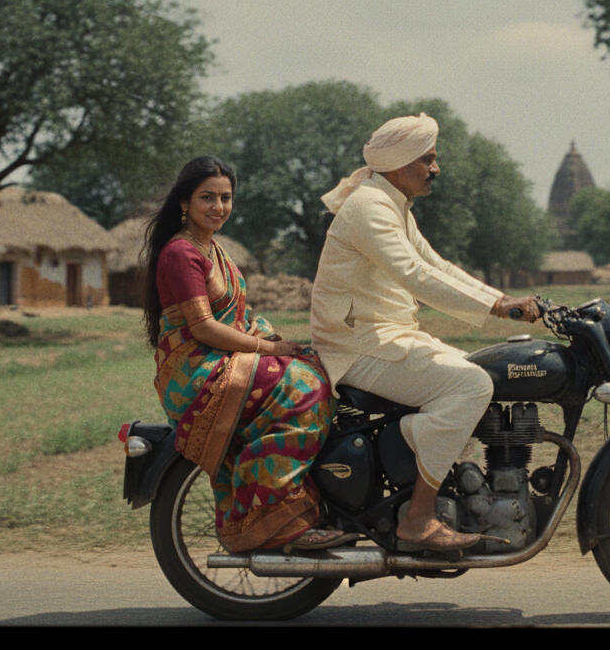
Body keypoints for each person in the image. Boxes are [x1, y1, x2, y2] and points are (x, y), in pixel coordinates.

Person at [310, 113, 540, 552]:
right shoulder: (369, 207)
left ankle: (446, 467)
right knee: (473, 385)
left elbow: (437, 265)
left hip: (383, 338)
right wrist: (496, 306)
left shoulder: (389, 202)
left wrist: (502, 299)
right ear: (399, 162)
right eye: (428, 159)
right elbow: (414, 274)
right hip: (357, 347)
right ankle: (417, 518)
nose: (436, 169)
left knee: (474, 372)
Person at [143, 156, 351, 552]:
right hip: (197, 369)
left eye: (226, 197)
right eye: (207, 197)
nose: (218, 207)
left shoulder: (213, 248)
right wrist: (270, 348)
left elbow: (239, 317)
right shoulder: (180, 253)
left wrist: (284, 342)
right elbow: (203, 327)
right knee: (304, 389)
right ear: (185, 202)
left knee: (313, 366)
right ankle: (272, 512)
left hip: (223, 358)